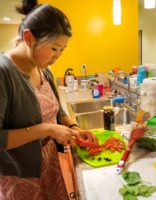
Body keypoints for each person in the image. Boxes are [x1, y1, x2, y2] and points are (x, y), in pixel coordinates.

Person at [0, 0, 98, 199]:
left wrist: (74, 128)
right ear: (29, 37)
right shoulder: (4, 73)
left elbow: (56, 111)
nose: (58, 56)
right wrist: (48, 129)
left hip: (51, 165)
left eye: (63, 49)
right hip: (21, 177)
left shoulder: (43, 68)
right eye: (54, 49)